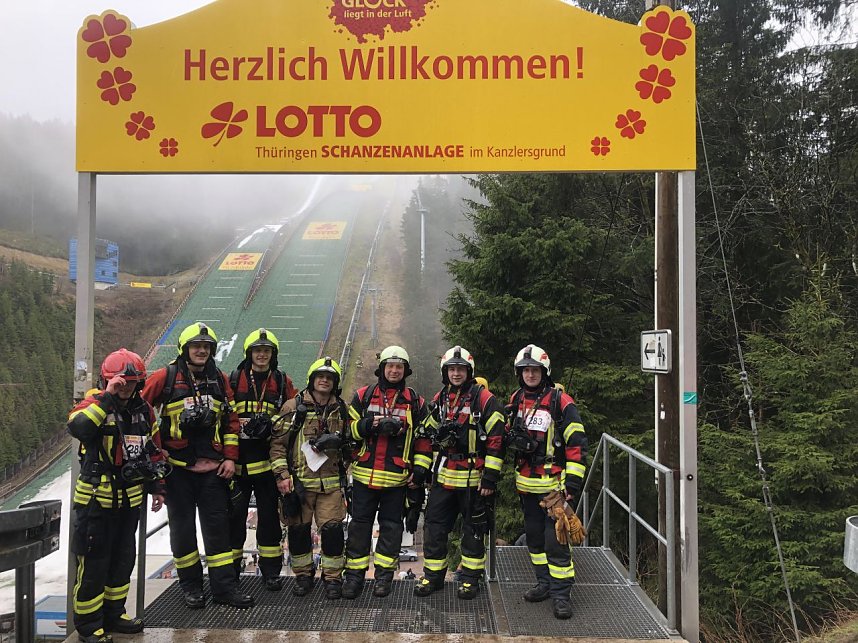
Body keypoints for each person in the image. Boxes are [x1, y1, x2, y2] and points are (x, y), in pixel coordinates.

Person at [141, 322, 254, 609]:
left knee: (218, 534)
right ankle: (191, 587)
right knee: (182, 532)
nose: (202, 350)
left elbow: (231, 420)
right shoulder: (165, 377)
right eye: (196, 345)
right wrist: (157, 452)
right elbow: (139, 411)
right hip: (177, 471)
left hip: (213, 472)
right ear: (185, 349)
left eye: (206, 346)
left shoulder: (218, 379)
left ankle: (223, 589)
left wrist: (230, 457)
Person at [68, 349, 168, 642]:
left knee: (123, 561)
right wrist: (107, 397)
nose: (125, 387)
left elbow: (153, 448)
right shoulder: (92, 404)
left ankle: (114, 615)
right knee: (94, 564)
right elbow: (80, 428)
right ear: (107, 380)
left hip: (129, 501)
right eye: (119, 382)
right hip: (96, 502)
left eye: (131, 382)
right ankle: (88, 626)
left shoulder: (144, 411)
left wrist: (157, 487)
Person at [413, 346, 506, 600]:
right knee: (434, 528)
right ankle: (433, 576)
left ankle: (469, 580)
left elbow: (497, 439)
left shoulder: (484, 399)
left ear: (469, 371)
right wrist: (425, 469)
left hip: (474, 479)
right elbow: (425, 433)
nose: (456, 373)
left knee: (473, 531)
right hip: (443, 478)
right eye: (452, 369)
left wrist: (490, 477)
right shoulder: (441, 398)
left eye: (460, 369)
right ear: (446, 372)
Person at [342, 346, 432, 599]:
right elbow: (348, 430)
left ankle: (384, 579)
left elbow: (423, 441)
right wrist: (367, 425)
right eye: (390, 366)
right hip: (364, 477)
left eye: (399, 366)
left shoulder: (416, 402)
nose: (394, 370)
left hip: (396, 479)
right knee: (359, 529)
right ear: (382, 368)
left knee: (391, 530)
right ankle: (354, 578)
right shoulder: (363, 395)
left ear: (405, 370)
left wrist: (421, 469)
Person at [506, 344, 587, 620]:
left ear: (544, 372)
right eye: (526, 370)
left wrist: (571, 488)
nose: (530, 374)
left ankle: (561, 595)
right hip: (527, 487)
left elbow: (577, 445)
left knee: (557, 542)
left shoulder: (561, 402)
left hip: (554, 489)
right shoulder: (515, 399)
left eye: (535, 370)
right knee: (535, 540)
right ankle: (543, 583)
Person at [269, 356, 353, 599]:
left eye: (329, 377)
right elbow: (277, 445)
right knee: (298, 532)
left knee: (333, 533)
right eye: (320, 376)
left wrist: (342, 444)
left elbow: (353, 445)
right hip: (299, 486)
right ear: (312, 380)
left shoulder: (343, 410)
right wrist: (282, 476)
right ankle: (303, 576)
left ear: (335, 382)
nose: (324, 380)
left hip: (330, 487)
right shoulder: (293, 408)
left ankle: (333, 579)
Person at [228, 328, 297, 591]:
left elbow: (293, 413)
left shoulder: (281, 381)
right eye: (257, 351)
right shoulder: (234, 380)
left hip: (268, 465)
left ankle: (271, 573)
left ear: (273, 355)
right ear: (249, 353)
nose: (262, 355)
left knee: (269, 521)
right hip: (238, 465)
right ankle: (232, 572)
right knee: (234, 519)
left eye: (266, 351)